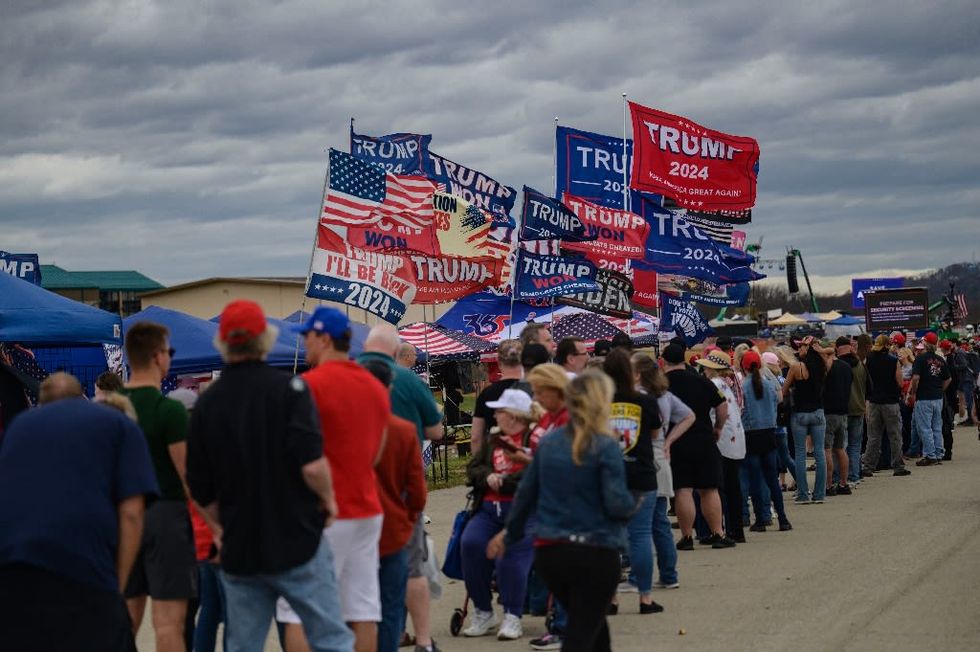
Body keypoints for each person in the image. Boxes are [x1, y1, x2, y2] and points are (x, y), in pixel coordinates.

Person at [186, 301, 353, 652]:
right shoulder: (289, 390)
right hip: (298, 537)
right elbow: (312, 464)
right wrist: (328, 499)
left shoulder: (207, 404)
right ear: (265, 339)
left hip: (241, 546)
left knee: (243, 644)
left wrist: (220, 529)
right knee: (330, 636)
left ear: (223, 342)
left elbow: (199, 487)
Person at [0, 373, 157, 651]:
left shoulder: (17, 429)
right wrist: (117, 587)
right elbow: (132, 513)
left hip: (17, 576)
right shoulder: (117, 423)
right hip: (86, 572)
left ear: (41, 402)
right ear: (83, 396)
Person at [487, 372, 636, 652]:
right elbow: (617, 503)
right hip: (595, 550)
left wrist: (509, 534)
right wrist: (632, 505)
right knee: (582, 631)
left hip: (551, 552)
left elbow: (525, 495)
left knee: (593, 628)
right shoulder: (604, 444)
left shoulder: (548, 442)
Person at [279, 307, 390, 652]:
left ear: (324, 338)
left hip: (321, 510)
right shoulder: (373, 385)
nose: (305, 344)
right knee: (362, 607)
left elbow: (294, 454)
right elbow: (378, 448)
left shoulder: (306, 386)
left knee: (298, 610)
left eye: (308, 336)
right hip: (366, 506)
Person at [356, 324, 443, 652]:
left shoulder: (344, 375)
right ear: (395, 353)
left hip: (355, 495)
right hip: (401, 492)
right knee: (411, 567)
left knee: (363, 575)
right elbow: (436, 432)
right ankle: (421, 639)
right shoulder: (408, 380)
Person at [120, 321, 198, 651]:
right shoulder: (169, 411)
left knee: (125, 619)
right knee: (169, 624)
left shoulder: (110, 406)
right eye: (169, 352)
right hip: (166, 515)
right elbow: (187, 475)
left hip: (121, 515)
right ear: (157, 357)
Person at [460, 389, 542, 640]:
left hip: (524, 511)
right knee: (470, 544)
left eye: (500, 411)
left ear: (515, 416)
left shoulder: (533, 439)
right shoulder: (494, 440)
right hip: (488, 509)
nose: (494, 415)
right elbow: (473, 467)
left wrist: (504, 481)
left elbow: (537, 474)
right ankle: (483, 611)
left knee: (510, 556)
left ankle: (513, 614)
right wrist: (487, 476)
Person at [360, 358, 427, 652]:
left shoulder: (347, 427)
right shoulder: (402, 430)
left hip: (356, 522)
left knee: (358, 606)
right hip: (394, 526)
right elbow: (417, 489)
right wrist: (410, 514)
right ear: (388, 387)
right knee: (390, 603)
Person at [603, 349, 664, 614]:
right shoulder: (645, 401)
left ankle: (612, 599)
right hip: (640, 471)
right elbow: (654, 433)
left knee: (611, 539)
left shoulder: (600, 402)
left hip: (608, 475)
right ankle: (645, 598)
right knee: (640, 536)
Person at [660, 343, 735, 549]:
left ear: (664, 361)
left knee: (683, 489)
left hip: (675, 440)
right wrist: (718, 428)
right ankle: (718, 533)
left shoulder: (661, 384)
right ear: (684, 359)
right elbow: (722, 406)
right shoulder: (701, 381)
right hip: (704, 438)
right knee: (709, 488)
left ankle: (686, 537)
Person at [632, 352, 694, 590]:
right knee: (659, 521)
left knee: (642, 525)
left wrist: (668, 440)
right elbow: (689, 416)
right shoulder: (664, 396)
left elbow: (688, 417)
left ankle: (640, 577)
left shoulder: (641, 397)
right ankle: (669, 574)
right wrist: (669, 441)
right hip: (660, 456)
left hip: (646, 457)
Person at [696, 351, 746, 543]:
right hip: (735, 440)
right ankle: (737, 529)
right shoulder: (727, 385)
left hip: (722, 440)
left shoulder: (714, 384)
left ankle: (720, 529)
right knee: (733, 487)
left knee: (719, 488)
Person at [740, 352, 793, 532]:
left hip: (751, 435)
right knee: (772, 479)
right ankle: (783, 519)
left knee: (755, 479)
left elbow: (740, 411)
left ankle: (761, 520)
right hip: (769, 434)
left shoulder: (743, 386)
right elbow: (778, 401)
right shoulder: (769, 385)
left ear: (744, 366)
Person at [783, 336, 830, 504]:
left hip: (800, 413)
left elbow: (784, 390)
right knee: (819, 453)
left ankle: (803, 493)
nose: (799, 349)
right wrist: (821, 350)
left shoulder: (796, 367)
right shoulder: (823, 366)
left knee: (800, 454)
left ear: (808, 349)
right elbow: (830, 355)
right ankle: (819, 494)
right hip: (818, 412)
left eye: (802, 346)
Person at [863, 335, 911, 477]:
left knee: (873, 436)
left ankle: (868, 466)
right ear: (887, 345)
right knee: (895, 435)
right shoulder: (893, 361)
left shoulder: (869, 359)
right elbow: (900, 383)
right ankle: (898, 466)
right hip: (890, 402)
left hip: (873, 402)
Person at [471, 339, 526, 453]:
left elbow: (476, 437)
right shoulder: (534, 389)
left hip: (496, 456)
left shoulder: (487, 394)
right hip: (529, 457)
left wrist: (479, 463)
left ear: (498, 360)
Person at [909, 332, 951, 466]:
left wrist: (913, 392)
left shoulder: (920, 359)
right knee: (936, 427)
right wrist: (940, 389)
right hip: (938, 397)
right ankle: (938, 453)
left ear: (925, 343)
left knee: (925, 427)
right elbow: (948, 378)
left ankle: (930, 455)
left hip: (924, 397)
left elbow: (915, 378)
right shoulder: (940, 359)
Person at [839, 337, 871, 486]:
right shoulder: (860, 365)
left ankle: (842, 476)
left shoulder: (838, 365)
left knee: (841, 445)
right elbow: (870, 388)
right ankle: (854, 475)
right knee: (855, 444)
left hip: (843, 409)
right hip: (858, 407)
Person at [823, 344, 853, 496]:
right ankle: (844, 483)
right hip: (843, 411)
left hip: (828, 412)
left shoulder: (827, 368)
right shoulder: (846, 367)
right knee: (840, 449)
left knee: (827, 449)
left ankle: (828, 485)